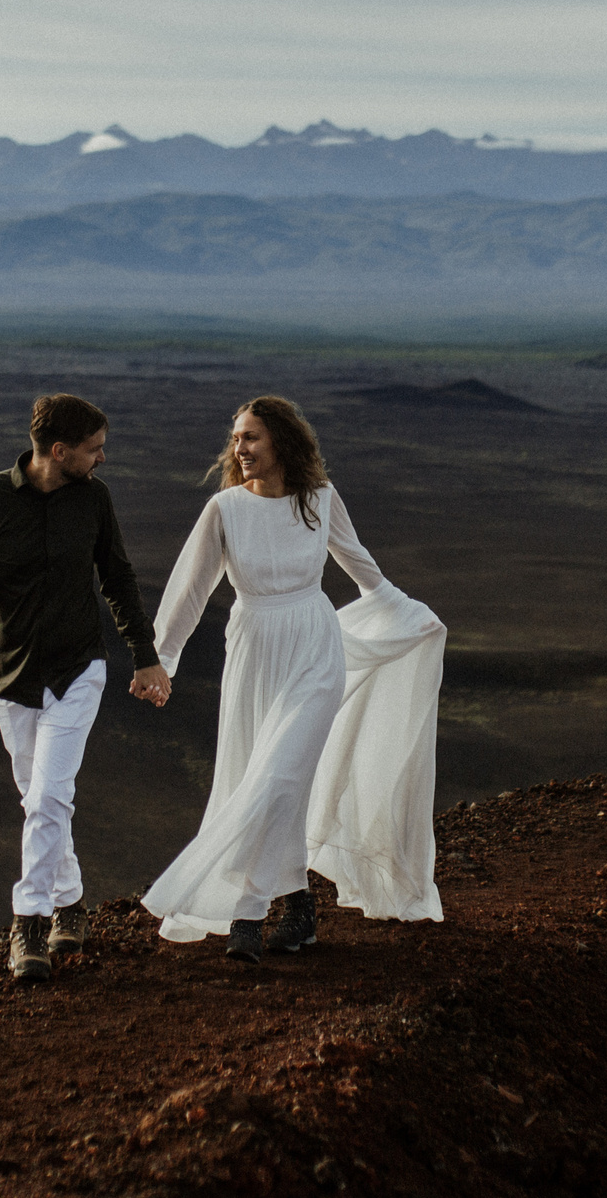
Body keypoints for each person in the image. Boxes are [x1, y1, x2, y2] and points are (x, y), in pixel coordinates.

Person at [141, 396, 446, 961]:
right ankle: (300, 910)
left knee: (279, 777)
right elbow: (190, 589)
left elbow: (363, 569)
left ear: (282, 441)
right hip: (254, 650)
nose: (240, 448)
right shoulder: (225, 510)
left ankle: (246, 917)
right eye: (236, 439)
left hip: (313, 645)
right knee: (249, 777)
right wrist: (162, 659)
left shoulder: (320, 500)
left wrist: (413, 617)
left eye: (251, 437)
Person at [0, 393, 172, 983]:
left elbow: (117, 577)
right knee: (38, 799)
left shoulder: (94, 500)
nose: (102, 460)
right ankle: (71, 902)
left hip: (78, 672)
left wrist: (145, 658)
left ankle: (29, 925)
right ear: (59, 451)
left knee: (48, 798)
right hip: (9, 678)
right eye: (94, 450)